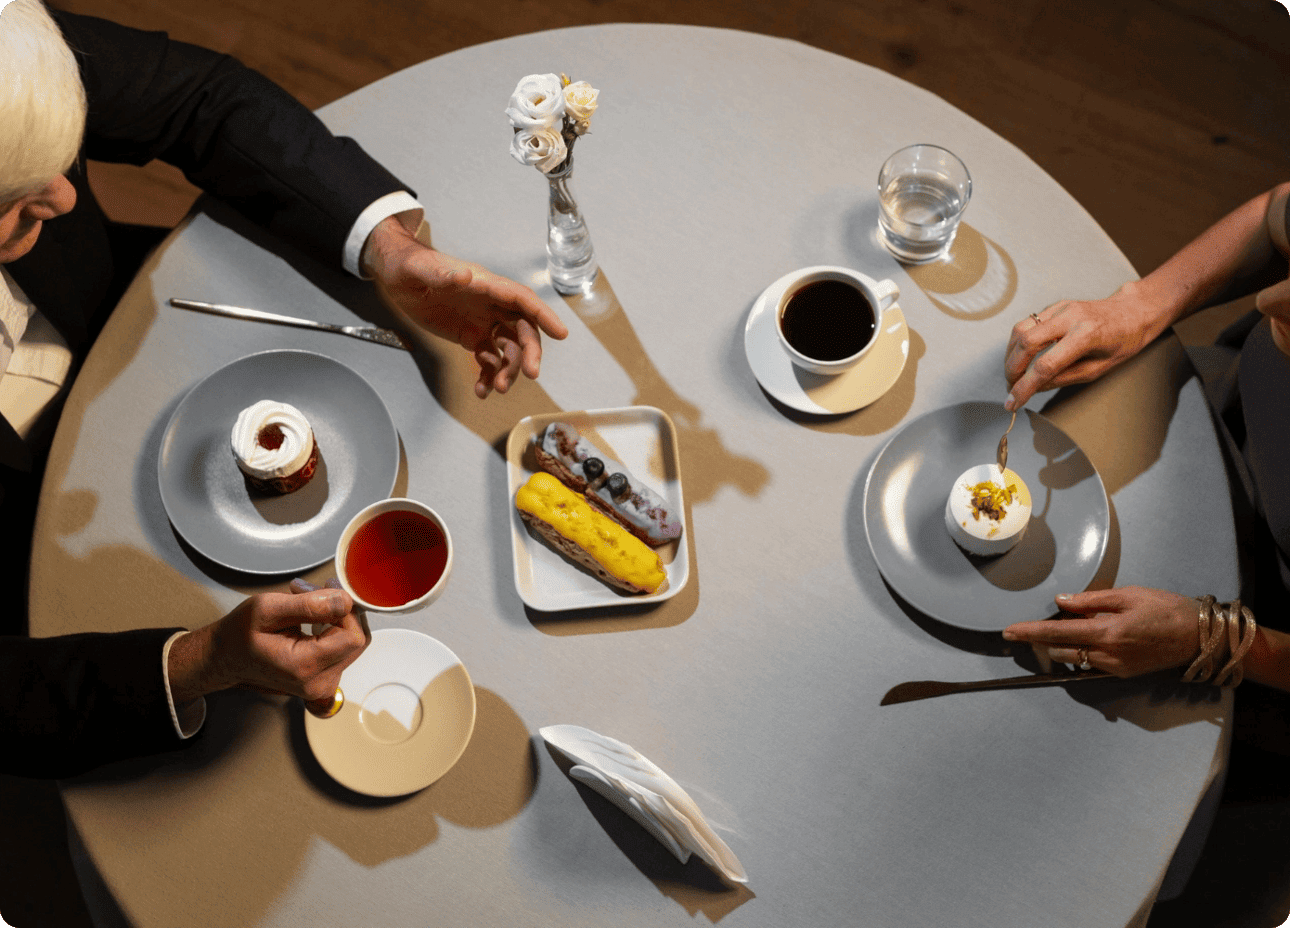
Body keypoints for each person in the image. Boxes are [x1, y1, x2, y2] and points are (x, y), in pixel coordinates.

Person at [0, 0, 565, 777]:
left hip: (144, 332)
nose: (65, 199)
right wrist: (194, 664)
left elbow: (199, 99)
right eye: (12, 196)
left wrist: (391, 253)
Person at [1000, 181, 1290, 690]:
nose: (1272, 302)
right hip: (1222, 405)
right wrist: (1140, 305)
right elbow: (1274, 214)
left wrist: (1216, 641)